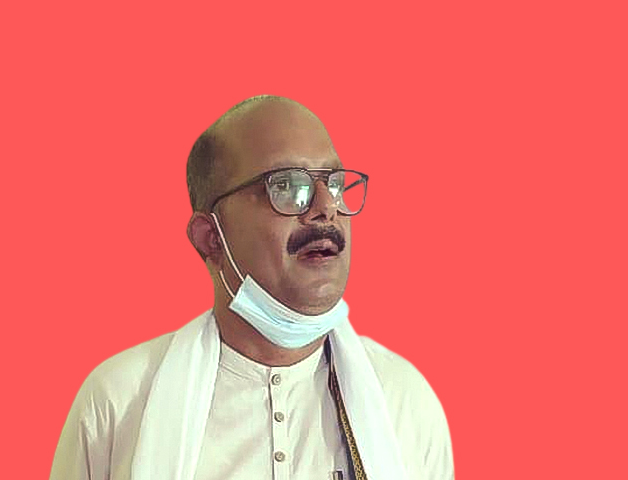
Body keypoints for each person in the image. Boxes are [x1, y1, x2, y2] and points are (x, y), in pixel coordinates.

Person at [49, 95, 454, 480]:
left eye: (332, 184)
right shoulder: (118, 402)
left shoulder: (404, 400)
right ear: (212, 238)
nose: (326, 208)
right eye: (287, 186)